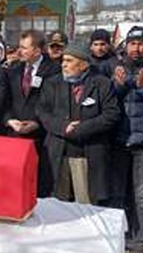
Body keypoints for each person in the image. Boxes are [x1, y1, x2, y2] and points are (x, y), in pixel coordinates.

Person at [37, 42, 120, 205]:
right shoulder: (52, 83)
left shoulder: (101, 83)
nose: (64, 65)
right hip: (58, 154)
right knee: (57, 206)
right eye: (63, 60)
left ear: (83, 64)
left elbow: (111, 114)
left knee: (86, 204)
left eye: (69, 61)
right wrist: (63, 127)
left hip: (87, 154)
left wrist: (82, 128)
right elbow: (42, 112)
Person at [111, 26, 143, 253]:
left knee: (141, 194)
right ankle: (116, 235)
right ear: (126, 46)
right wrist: (118, 87)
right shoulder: (115, 69)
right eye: (133, 43)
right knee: (118, 192)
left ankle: (140, 239)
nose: (136, 48)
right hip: (119, 140)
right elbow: (107, 103)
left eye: (141, 44)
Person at [5, 30, 60, 196]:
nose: (19, 51)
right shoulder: (14, 70)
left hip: (41, 138)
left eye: (24, 48)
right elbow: (5, 100)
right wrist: (9, 120)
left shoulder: (55, 70)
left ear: (37, 50)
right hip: (15, 135)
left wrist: (37, 123)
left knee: (38, 189)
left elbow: (56, 104)